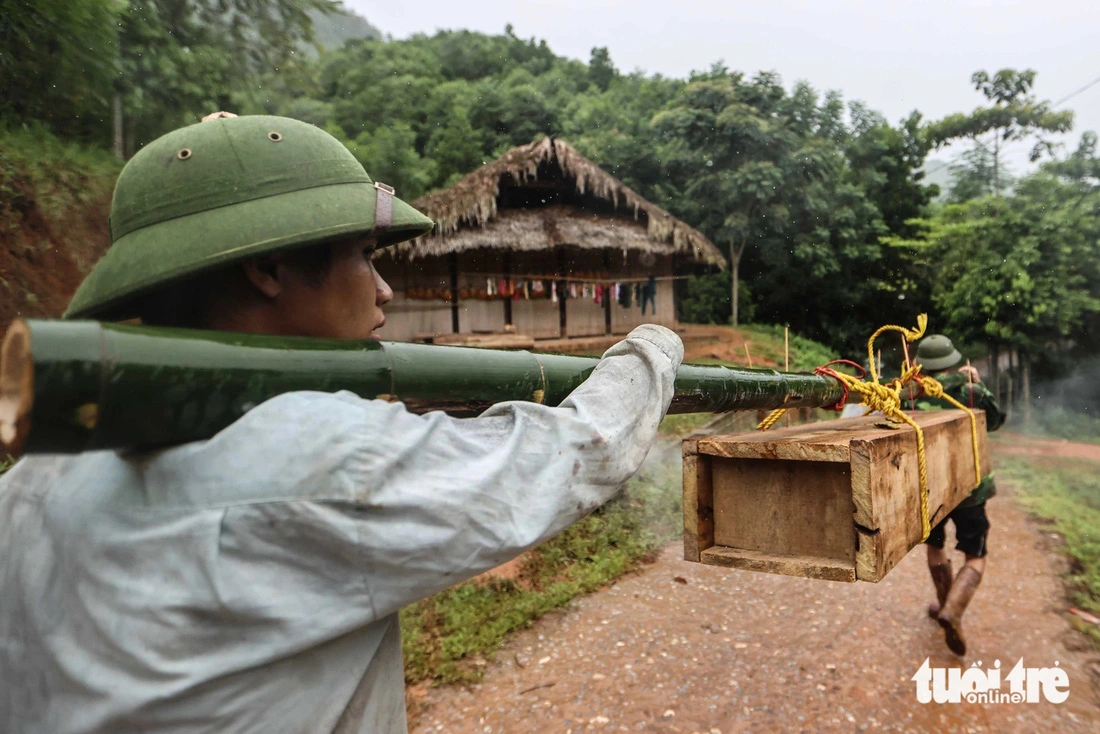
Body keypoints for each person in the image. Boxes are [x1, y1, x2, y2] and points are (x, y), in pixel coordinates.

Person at [0, 114, 684, 733]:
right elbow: (576, 451)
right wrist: (654, 350)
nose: (385, 289)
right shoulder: (322, 453)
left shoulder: (29, 479)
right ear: (269, 269)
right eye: (364, 255)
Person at [908, 334, 1005, 656]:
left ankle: (943, 604)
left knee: (935, 546)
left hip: (930, 487)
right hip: (971, 490)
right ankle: (953, 610)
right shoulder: (971, 392)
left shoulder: (910, 395)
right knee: (975, 555)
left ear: (920, 365)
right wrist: (978, 384)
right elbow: (996, 421)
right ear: (953, 361)